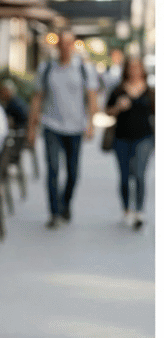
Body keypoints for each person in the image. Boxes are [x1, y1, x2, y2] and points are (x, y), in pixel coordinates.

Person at [27, 31, 98, 228]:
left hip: (75, 127)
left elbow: (92, 98)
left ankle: (65, 203)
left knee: (73, 172)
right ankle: (54, 212)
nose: (65, 48)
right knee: (52, 169)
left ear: (73, 46)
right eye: (62, 44)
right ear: (57, 46)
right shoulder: (47, 68)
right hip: (51, 125)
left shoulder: (83, 69)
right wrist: (31, 128)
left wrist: (91, 125)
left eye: (68, 44)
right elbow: (37, 98)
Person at [105, 55, 154, 229]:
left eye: (137, 67)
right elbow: (107, 111)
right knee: (125, 176)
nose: (134, 71)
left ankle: (139, 211)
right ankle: (126, 209)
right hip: (121, 138)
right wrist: (118, 107)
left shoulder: (150, 91)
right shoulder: (118, 90)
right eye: (131, 68)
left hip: (144, 138)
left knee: (139, 174)